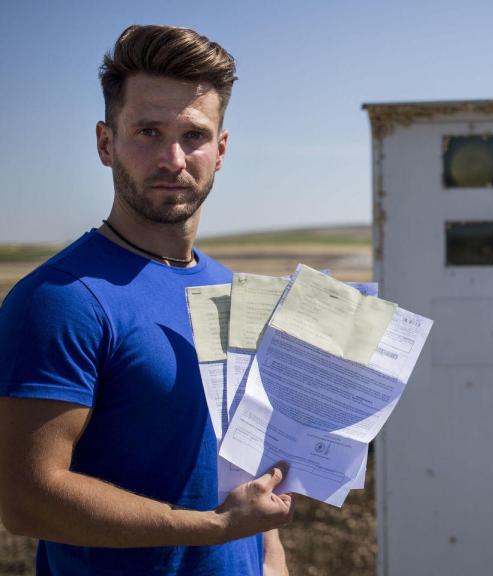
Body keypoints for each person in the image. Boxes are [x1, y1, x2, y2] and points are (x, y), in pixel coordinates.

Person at [0, 25, 293, 575]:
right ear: (105, 143)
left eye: (194, 135)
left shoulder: (232, 291)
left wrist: (270, 559)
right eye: (149, 132)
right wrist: (214, 528)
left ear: (221, 150)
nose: (173, 158)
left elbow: (244, 465)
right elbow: (27, 499)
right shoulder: (61, 299)